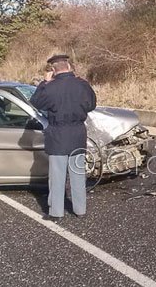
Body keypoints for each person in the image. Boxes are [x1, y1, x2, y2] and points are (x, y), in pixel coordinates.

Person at [30, 54, 97, 219]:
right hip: (77, 133)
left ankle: (56, 212)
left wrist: (44, 83)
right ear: (69, 66)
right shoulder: (82, 85)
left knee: (57, 176)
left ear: (53, 69)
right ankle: (80, 209)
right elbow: (92, 104)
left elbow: (35, 102)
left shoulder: (50, 87)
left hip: (58, 134)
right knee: (78, 174)